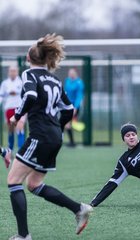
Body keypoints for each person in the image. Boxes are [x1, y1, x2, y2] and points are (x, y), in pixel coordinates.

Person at [7, 33, 93, 240]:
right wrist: (59, 127)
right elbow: (69, 108)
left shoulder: (29, 75)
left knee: (13, 180)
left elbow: (30, 96)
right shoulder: (55, 79)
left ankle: (23, 235)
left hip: (40, 135)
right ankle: (79, 208)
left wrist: (17, 116)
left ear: (29, 58)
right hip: (54, 135)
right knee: (34, 184)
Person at [0, 66, 27, 150]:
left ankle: (20, 151)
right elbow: (1, 96)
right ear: (8, 72)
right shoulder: (5, 83)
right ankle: (10, 149)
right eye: (11, 71)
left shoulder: (21, 82)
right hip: (9, 108)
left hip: (20, 108)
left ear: (17, 72)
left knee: (20, 127)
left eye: (14, 71)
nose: (12, 72)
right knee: (11, 129)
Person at [64, 67, 84, 147]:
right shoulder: (67, 81)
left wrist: (75, 108)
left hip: (75, 107)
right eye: (69, 73)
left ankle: (72, 143)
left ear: (75, 73)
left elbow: (79, 96)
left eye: (72, 73)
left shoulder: (79, 83)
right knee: (67, 124)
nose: (71, 74)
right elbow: (65, 93)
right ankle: (72, 143)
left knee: (67, 124)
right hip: (67, 106)